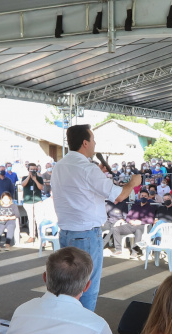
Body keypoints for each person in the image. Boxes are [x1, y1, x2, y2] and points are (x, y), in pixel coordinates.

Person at [50, 124, 139, 311]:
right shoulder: (88, 169)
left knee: (67, 287)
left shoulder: (59, 166)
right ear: (85, 143)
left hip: (66, 233)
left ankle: (66, 321)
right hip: (86, 236)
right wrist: (133, 183)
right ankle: (85, 325)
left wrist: (99, 173)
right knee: (87, 287)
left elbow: (79, 188)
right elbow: (119, 196)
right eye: (93, 139)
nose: (95, 143)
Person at [111, 191, 155, 257]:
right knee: (115, 229)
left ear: (148, 197)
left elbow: (151, 220)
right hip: (130, 225)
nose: (143, 197)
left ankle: (134, 252)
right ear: (139, 196)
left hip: (140, 226)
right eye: (142, 196)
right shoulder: (135, 206)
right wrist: (130, 221)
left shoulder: (150, 207)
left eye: (145, 196)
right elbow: (128, 217)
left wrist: (140, 222)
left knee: (138, 231)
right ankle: (118, 249)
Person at [20, 163, 45, 243]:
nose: (33, 170)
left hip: (37, 201)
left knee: (39, 219)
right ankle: (32, 235)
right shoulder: (24, 177)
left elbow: (41, 187)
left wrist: (35, 179)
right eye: (31, 169)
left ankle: (41, 237)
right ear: (28, 169)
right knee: (31, 219)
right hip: (28, 202)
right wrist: (29, 176)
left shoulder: (39, 178)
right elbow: (23, 184)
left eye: (34, 169)